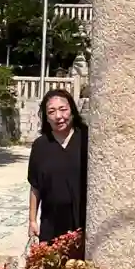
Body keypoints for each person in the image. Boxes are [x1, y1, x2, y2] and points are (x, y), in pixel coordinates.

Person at [27, 88, 87, 246]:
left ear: (72, 111)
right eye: (51, 112)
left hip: (84, 223)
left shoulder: (87, 139)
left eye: (63, 109)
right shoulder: (40, 146)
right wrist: (32, 220)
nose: (58, 116)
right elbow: (35, 186)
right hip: (51, 223)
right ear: (46, 117)